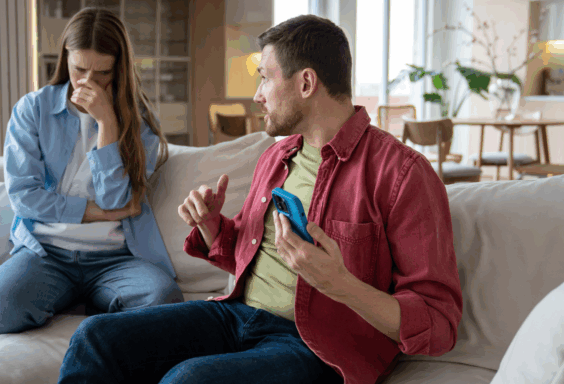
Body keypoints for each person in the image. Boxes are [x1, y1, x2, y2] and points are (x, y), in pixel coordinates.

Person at [57, 14, 462, 384]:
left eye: (265, 78)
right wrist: (215, 228)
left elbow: (438, 321)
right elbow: (251, 254)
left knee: (189, 381)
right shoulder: (277, 156)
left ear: (306, 83)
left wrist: (339, 283)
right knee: (95, 337)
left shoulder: (403, 174)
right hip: (238, 315)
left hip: (317, 349)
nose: (257, 95)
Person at [0, 8, 183, 335]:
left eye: (102, 73)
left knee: (163, 299)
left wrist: (107, 124)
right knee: (0, 307)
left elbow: (117, 200)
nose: (88, 82)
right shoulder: (33, 110)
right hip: (46, 253)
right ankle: (70, 294)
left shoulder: (138, 123)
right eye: (79, 69)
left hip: (116, 259)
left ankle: (88, 299)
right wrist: (93, 213)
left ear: (119, 69)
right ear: (65, 58)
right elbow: (24, 198)